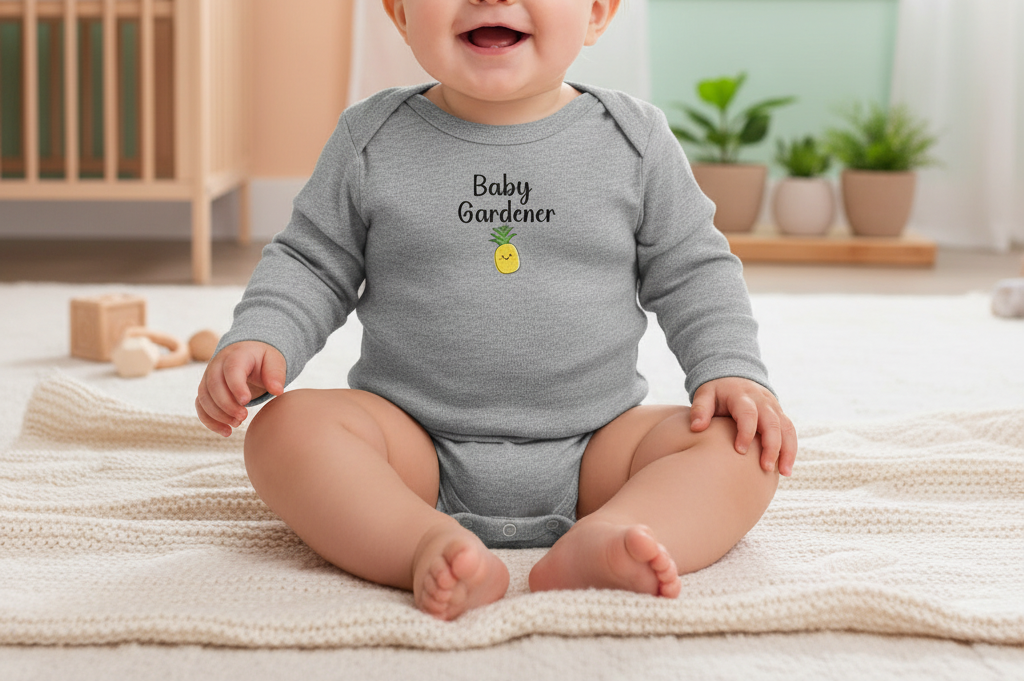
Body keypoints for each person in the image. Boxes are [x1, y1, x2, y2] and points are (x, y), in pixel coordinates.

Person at [195, 0, 797, 621]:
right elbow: (311, 262)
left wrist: (729, 370)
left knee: (743, 444)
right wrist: (263, 336)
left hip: (600, 447)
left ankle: (612, 536)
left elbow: (694, 269)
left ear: (596, 13)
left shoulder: (634, 140)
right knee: (285, 430)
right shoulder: (370, 139)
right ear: (400, 13)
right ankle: (421, 542)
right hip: (411, 448)